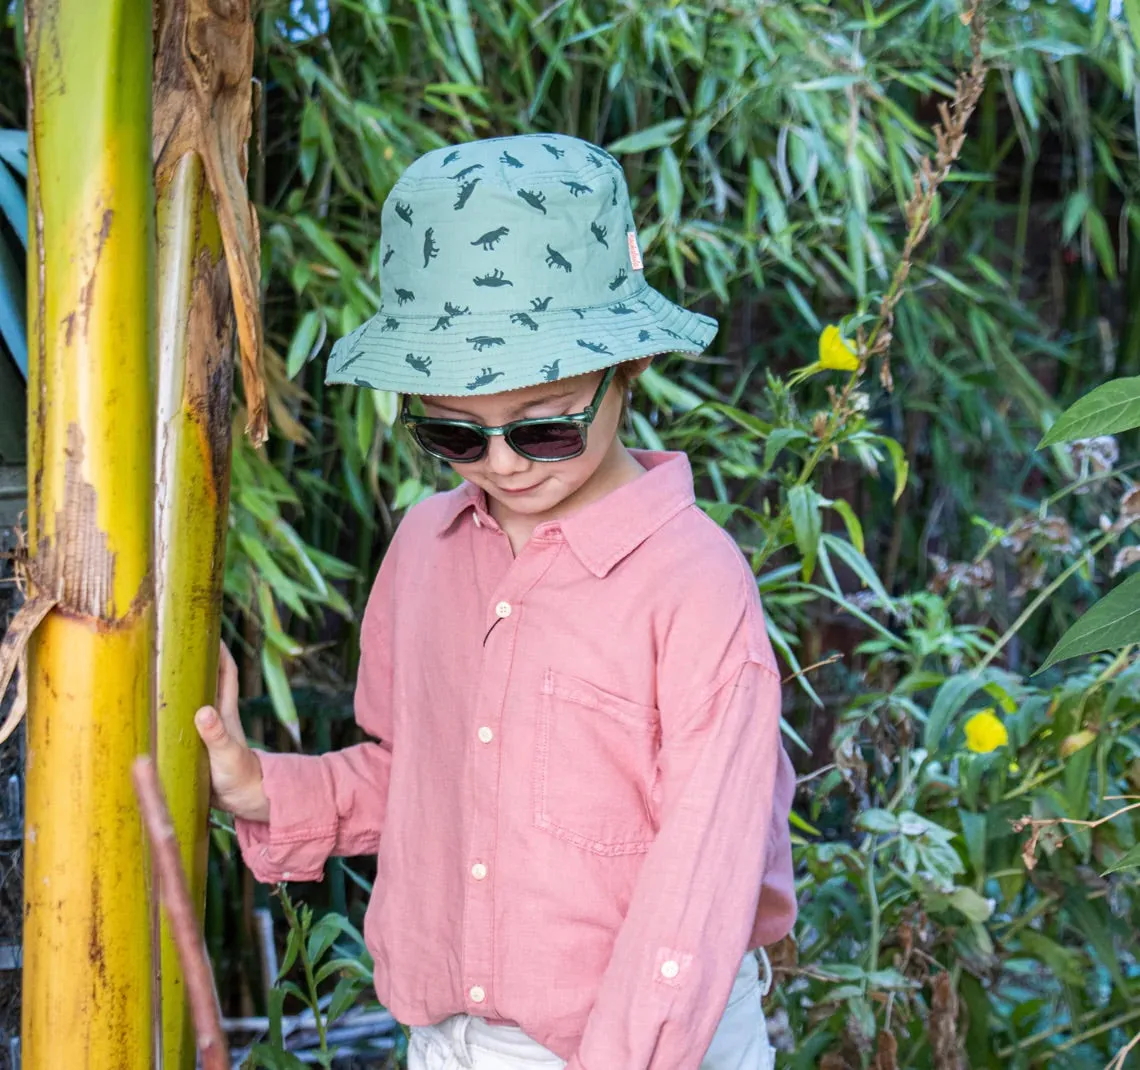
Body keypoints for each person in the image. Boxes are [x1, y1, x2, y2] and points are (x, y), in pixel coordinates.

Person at [195, 132, 796, 1070]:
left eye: (545, 426)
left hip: (646, 1042)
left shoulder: (696, 584)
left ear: (626, 368)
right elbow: (420, 781)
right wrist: (261, 787)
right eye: (455, 433)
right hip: (451, 1042)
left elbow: (700, 883)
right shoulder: (425, 555)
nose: (504, 464)